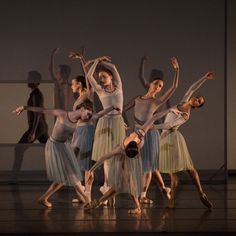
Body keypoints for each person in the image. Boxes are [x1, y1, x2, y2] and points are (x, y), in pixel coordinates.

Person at [12, 99, 119, 208]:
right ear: (82, 109)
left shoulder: (81, 120)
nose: (88, 117)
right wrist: (24, 107)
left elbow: (98, 115)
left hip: (64, 146)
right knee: (71, 174)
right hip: (54, 146)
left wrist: (112, 108)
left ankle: (44, 198)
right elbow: (42, 110)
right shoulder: (62, 114)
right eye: (88, 114)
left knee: (64, 177)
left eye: (90, 115)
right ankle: (88, 201)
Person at [85, 108, 172, 215]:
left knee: (121, 185)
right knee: (123, 184)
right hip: (121, 159)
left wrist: (170, 110)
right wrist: (91, 170)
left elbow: (154, 117)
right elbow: (103, 157)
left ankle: (99, 202)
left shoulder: (140, 134)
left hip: (133, 159)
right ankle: (134, 207)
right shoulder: (120, 149)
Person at [123, 57, 179, 204]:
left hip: (150, 134)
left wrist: (177, 70)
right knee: (138, 164)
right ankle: (159, 189)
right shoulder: (137, 98)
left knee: (148, 165)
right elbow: (122, 110)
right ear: (150, 83)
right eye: (156, 84)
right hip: (136, 133)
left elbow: (173, 88)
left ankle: (143, 194)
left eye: (160, 86)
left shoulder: (156, 101)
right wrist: (125, 123)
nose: (158, 87)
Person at [154, 72, 214, 209]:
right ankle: (171, 201)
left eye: (199, 102)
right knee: (173, 174)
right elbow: (192, 88)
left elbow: (169, 125)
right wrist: (204, 77)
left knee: (189, 168)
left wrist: (154, 126)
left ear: (197, 107)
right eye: (197, 98)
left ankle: (201, 193)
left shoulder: (186, 115)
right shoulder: (183, 101)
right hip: (164, 139)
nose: (196, 99)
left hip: (173, 139)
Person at [87, 57, 126, 205]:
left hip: (118, 122)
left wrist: (103, 61)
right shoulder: (99, 90)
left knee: (116, 156)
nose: (101, 79)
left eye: (104, 76)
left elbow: (114, 67)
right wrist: (96, 61)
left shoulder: (119, 87)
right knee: (106, 156)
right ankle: (107, 185)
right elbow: (89, 76)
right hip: (105, 123)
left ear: (110, 77)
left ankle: (108, 186)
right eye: (100, 78)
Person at [10, 71, 49, 184]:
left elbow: (38, 113)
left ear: (36, 82)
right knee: (50, 151)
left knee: (18, 149)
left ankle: (13, 178)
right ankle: (59, 175)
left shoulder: (36, 94)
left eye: (30, 78)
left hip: (37, 127)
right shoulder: (34, 94)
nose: (28, 80)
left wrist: (32, 132)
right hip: (41, 127)